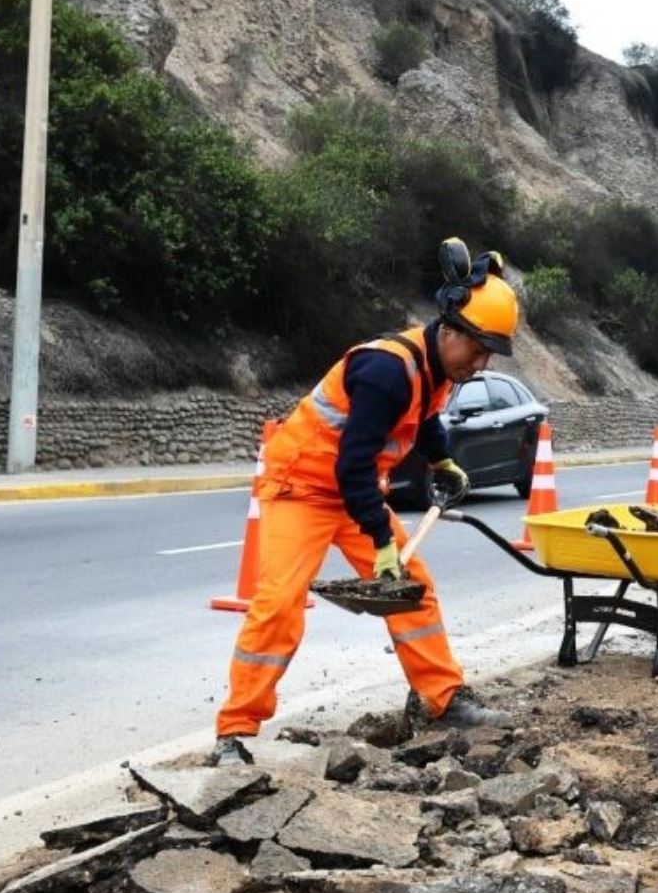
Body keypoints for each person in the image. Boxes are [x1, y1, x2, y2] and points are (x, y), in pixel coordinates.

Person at [211, 238, 521, 766]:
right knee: (280, 605)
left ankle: (442, 697)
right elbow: (352, 466)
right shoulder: (385, 370)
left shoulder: (439, 369)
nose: (482, 360)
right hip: (301, 489)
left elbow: (423, 419)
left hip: (350, 491)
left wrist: (441, 460)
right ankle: (234, 732)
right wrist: (380, 541)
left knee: (412, 589)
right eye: (477, 347)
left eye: (490, 351)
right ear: (449, 330)